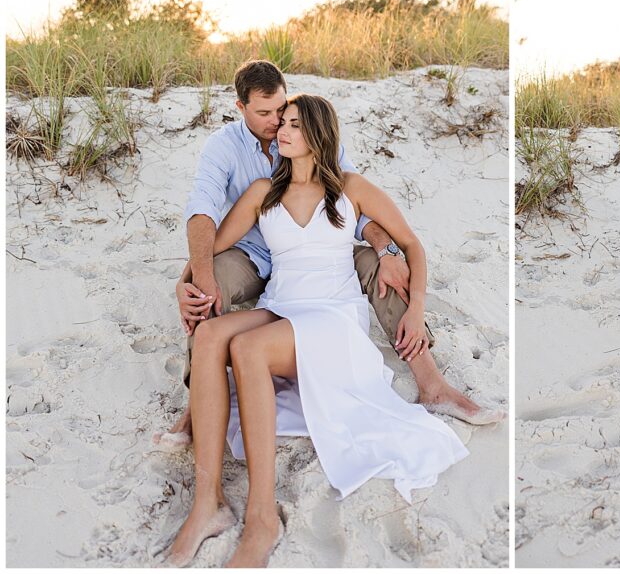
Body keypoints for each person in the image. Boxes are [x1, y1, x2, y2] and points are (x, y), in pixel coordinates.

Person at [166, 93, 470, 567]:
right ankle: (209, 504)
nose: (280, 132)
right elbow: (209, 251)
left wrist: (415, 310)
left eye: (292, 125)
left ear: (318, 135)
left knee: (247, 348)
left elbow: (411, 245)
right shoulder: (262, 192)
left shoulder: (351, 187)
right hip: (283, 307)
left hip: (333, 318)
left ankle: (262, 517)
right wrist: (181, 286)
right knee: (209, 337)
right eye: (279, 122)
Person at [154, 60, 501, 450]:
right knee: (208, 281)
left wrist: (386, 249)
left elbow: (351, 204)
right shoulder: (224, 147)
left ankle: (431, 383)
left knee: (378, 262)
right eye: (265, 114)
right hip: (251, 251)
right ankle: (194, 409)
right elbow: (202, 214)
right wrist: (189, 280)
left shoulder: (315, 136)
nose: (276, 123)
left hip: (321, 252)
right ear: (240, 108)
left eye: (282, 112)